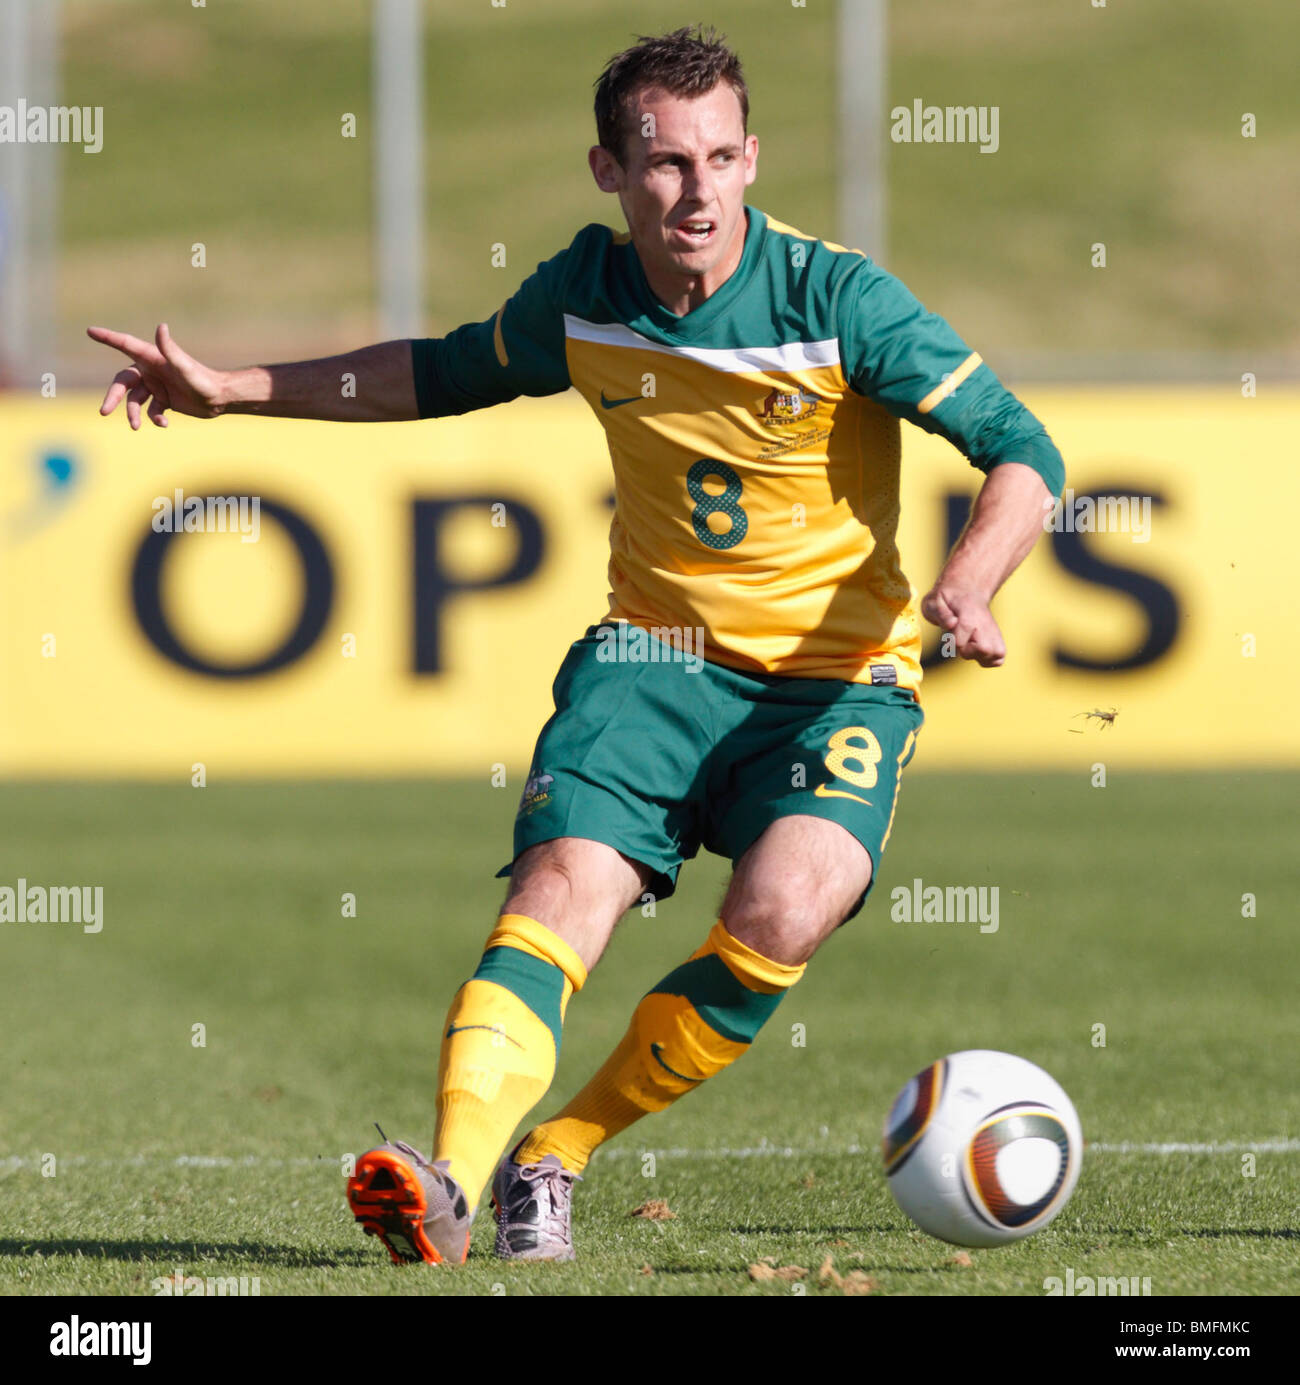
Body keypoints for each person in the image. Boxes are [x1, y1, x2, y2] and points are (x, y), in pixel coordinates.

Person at [89, 26, 1064, 1266]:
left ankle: (559, 1150)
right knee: (562, 890)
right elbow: (438, 373)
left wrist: (970, 583)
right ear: (609, 170)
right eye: (663, 162)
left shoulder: (839, 300)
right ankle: (447, 1179)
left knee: (786, 906)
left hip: (837, 681)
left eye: (719, 157)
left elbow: (1023, 448)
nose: (696, 190)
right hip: (652, 660)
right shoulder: (584, 293)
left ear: (753, 157)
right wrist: (235, 387)